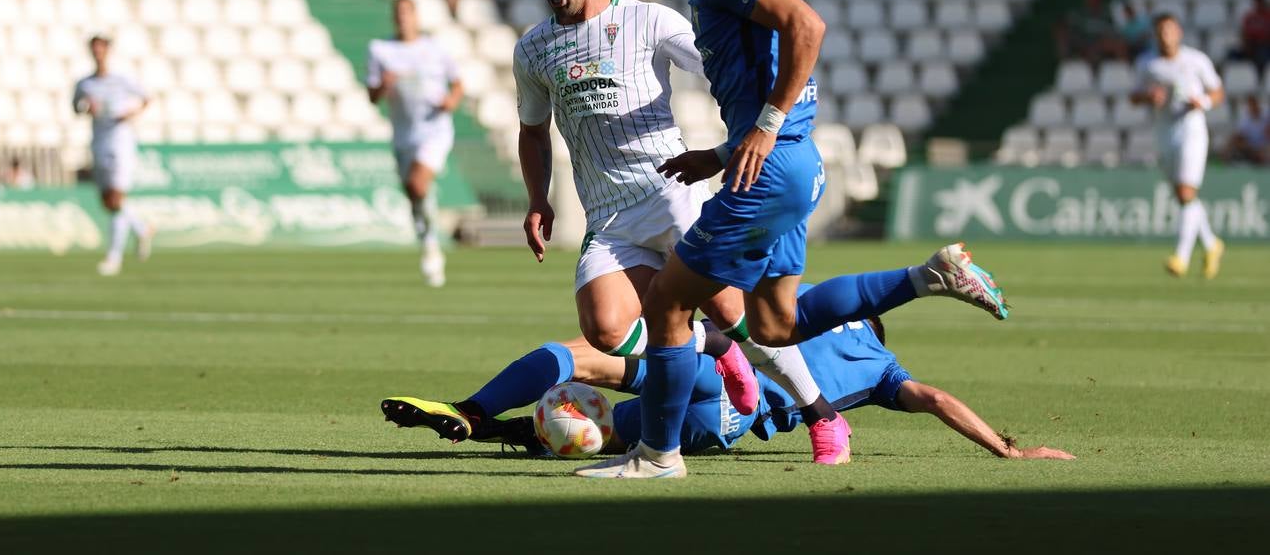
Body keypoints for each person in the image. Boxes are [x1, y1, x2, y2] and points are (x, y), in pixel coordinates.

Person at [578, 0, 1008, 479]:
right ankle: (926, 276)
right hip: (791, 163)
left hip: (774, 163)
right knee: (775, 324)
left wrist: (764, 127)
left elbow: (807, 25)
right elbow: (770, 66)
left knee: (668, 303)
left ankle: (657, 456)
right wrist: (725, 152)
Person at [505, 0, 831, 442]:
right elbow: (533, 131)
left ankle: (821, 415)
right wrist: (538, 199)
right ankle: (713, 347)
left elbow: (724, 66)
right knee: (606, 329)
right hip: (608, 214)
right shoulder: (533, 49)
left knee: (732, 310)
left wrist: (759, 127)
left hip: (671, 192)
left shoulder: (650, 21)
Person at [384, 279, 1070, 463]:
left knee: (591, 358)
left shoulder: (811, 316)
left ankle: (473, 411)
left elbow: (770, 303)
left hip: (710, 369)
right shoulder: (885, 371)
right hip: (724, 420)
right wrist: (1010, 448)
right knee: (602, 438)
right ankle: (493, 434)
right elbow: (937, 398)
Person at [366, 0, 463, 287]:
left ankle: (432, 245)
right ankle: (428, 240)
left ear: (416, 17)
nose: (403, 19)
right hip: (403, 134)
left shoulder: (434, 47)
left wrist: (450, 101)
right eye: (398, 14)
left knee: (418, 184)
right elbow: (372, 96)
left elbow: (457, 83)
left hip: (435, 130)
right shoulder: (381, 50)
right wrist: (383, 84)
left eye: (408, 13)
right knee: (414, 192)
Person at [1130, 14, 1226, 279]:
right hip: (1164, 130)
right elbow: (1133, 96)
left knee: (1186, 192)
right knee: (1183, 196)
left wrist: (1203, 102)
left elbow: (1218, 91)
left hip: (1192, 128)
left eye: (1169, 30)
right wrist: (1148, 96)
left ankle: (1181, 258)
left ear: (1179, 32)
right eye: (1160, 31)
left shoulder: (1195, 60)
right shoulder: (1148, 64)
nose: (1165, 36)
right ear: (1155, 35)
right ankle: (1211, 243)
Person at [72, 35, 152, 277]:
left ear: (108, 51)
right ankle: (141, 228)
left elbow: (146, 98)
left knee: (117, 198)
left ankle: (113, 257)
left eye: (101, 48)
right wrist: (86, 108)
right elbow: (76, 108)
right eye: (94, 49)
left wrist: (130, 114)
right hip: (99, 141)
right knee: (108, 202)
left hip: (120, 141)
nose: (98, 53)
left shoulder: (121, 80)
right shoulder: (85, 84)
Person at [1225, 96, 1269, 164]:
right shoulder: (1246, 120)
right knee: (1235, 140)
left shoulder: (1267, 117)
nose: (1252, 108)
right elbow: (1239, 135)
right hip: (1251, 148)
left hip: (1265, 147)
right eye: (1250, 106)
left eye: (1253, 105)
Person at [1234, 0, 1270, 69]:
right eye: (1256, 1)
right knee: (1232, 55)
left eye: (1260, 0)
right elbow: (1244, 34)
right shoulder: (1249, 17)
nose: (1258, 3)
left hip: (1265, 47)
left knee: (1262, 53)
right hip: (1251, 47)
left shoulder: (1268, 16)